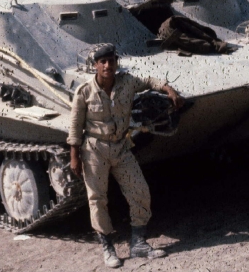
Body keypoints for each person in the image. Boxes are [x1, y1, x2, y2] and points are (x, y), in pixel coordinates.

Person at [67, 44, 184, 268]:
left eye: (111, 61)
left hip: (120, 147)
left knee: (139, 191)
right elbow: (75, 126)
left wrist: (169, 90)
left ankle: (138, 243)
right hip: (95, 150)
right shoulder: (84, 92)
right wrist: (75, 156)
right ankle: (108, 247)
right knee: (97, 199)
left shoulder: (127, 82)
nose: (107, 66)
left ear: (116, 62)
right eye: (102, 62)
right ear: (95, 66)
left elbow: (149, 81)